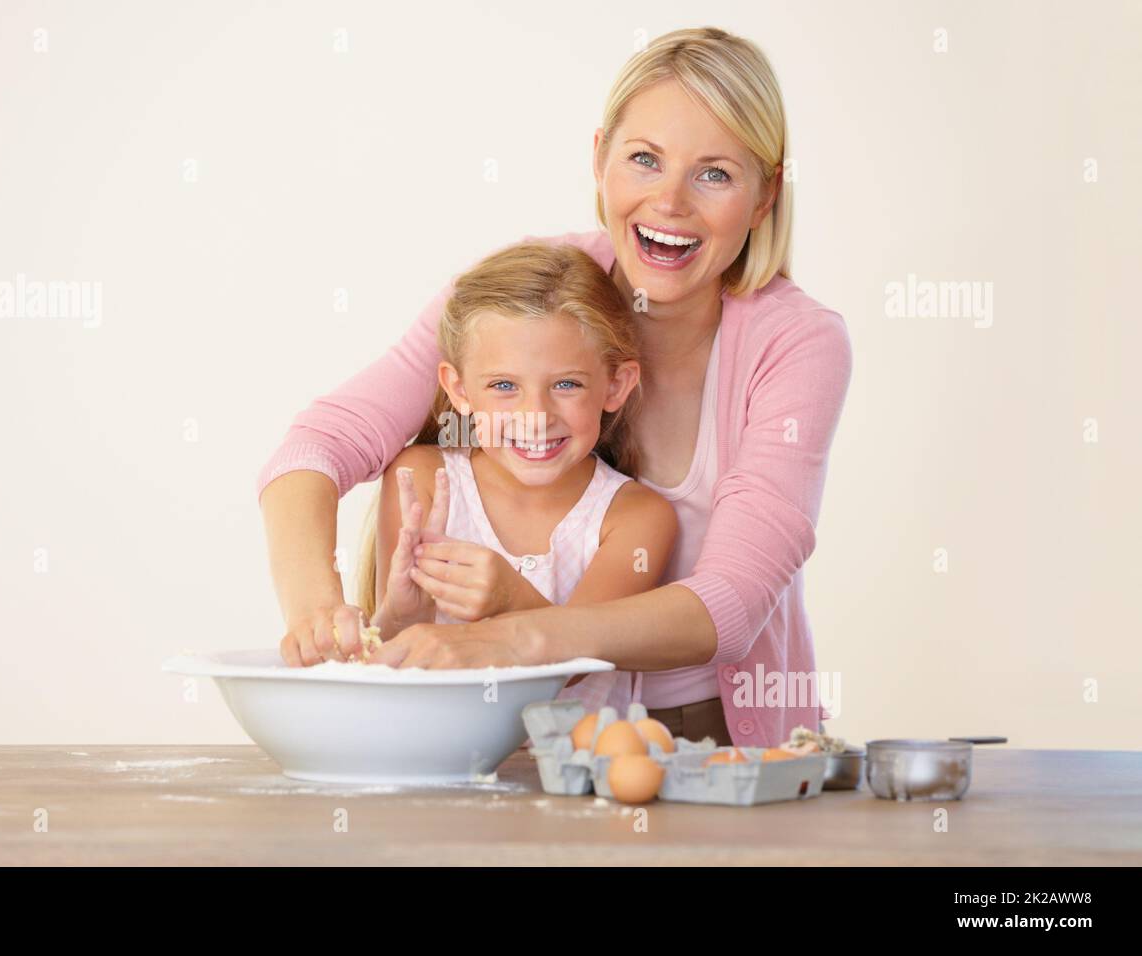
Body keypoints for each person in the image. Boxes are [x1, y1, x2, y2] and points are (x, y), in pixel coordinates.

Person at [256, 27, 853, 747]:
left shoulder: (797, 344)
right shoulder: (533, 293)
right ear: (600, 160)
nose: (670, 202)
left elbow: (726, 609)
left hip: (711, 734)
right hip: (501, 721)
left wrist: (513, 636)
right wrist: (318, 605)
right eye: (644, 160)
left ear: (764, 198)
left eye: (715, 174)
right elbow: (316, 447)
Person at [360, 241, 677, 711]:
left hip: (570, 772)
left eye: (566, 384)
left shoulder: (635, 517)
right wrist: (399, 614)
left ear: (615, 385)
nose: (535, 415)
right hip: (439, 763)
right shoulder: (422, 478)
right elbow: (388, 657)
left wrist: (512, 597)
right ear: (460, 390)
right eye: (504, 386)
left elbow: (577, 667)